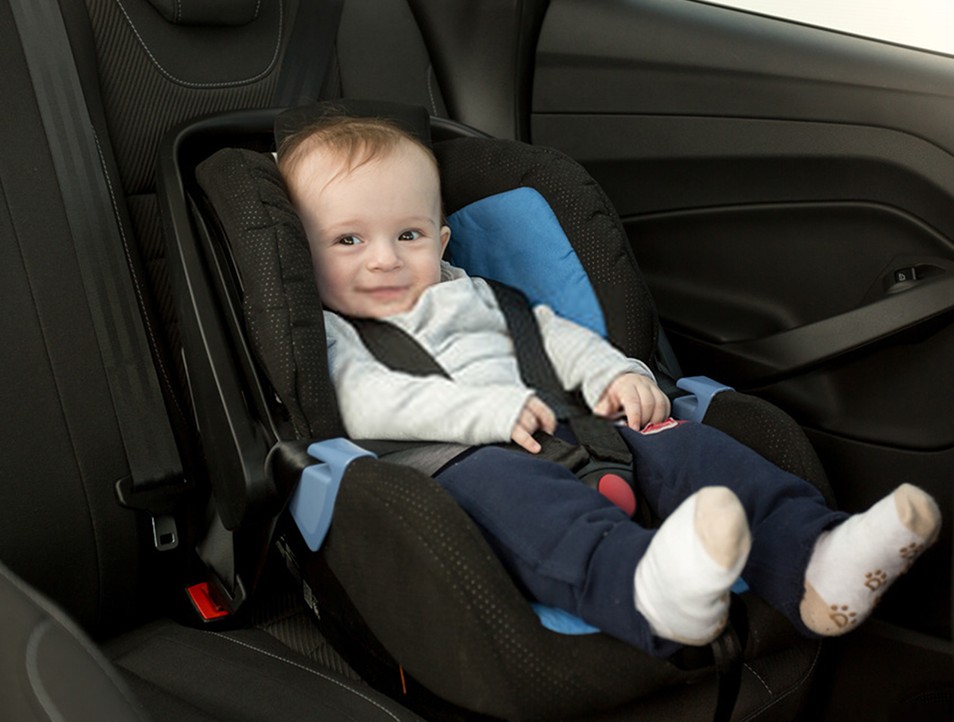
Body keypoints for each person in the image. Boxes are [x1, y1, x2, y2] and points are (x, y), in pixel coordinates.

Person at [277, 115, 941, 657]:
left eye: (409, 234)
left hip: (581, 429)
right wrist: (485, 412)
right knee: (521, 498)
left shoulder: (473, 294)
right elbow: (364, 400)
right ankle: (650, 589)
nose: (385, 258)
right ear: (304, 259)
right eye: (349, 240)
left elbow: (552, 338)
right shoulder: (334, 334)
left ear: (443, 240)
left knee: (687, 446)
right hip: (458, 464)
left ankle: (816, 557)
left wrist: (617, 374)